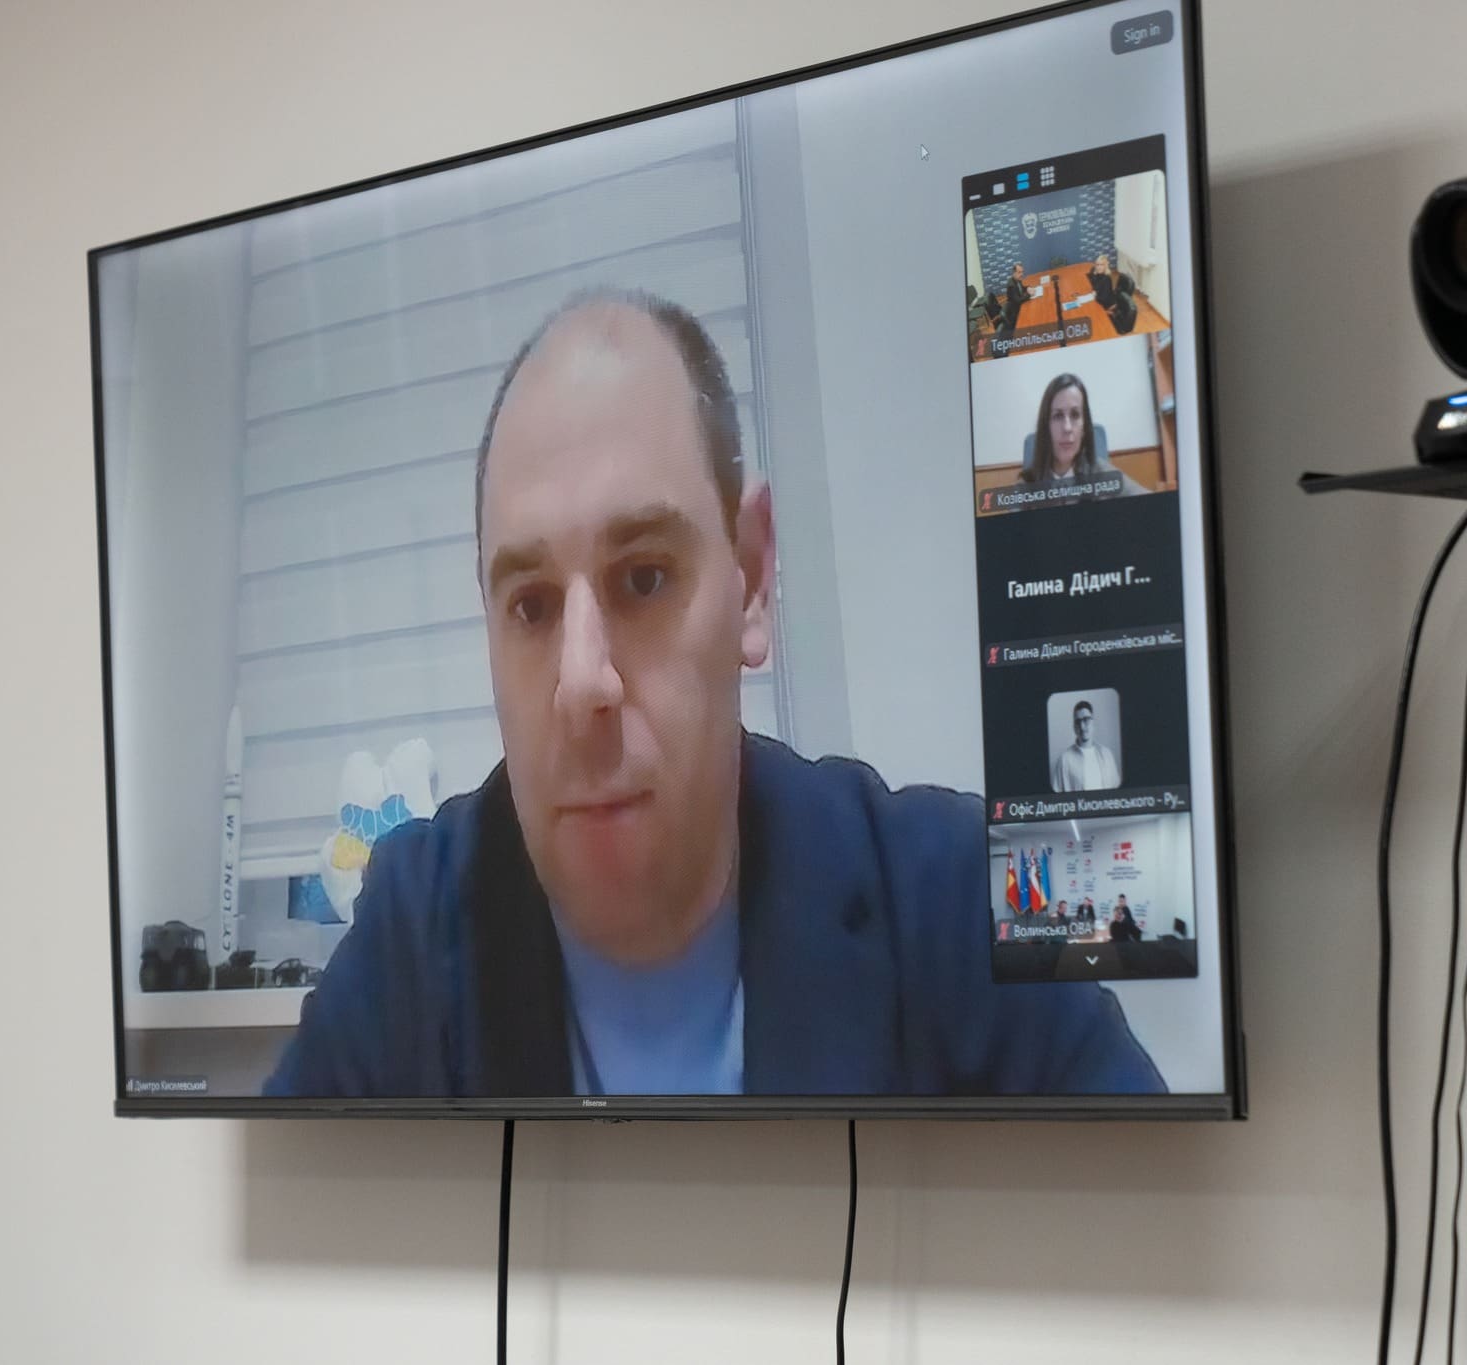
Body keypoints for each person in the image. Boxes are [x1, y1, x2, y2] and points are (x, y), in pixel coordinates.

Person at [264, 289, 1163, 1099]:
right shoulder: (411, 934)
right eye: (531, 605)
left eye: (643, 578)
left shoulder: (957, 904)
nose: (582, 683)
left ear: (752, 577)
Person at [1016, 373, 1146, 498]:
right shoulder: (1026, 486)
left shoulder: (1103, 474)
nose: (1067, 428)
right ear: (1046, 427)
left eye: (1075, 415)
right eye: (1058, 416)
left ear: (1084, 427)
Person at [1051, 698, 1123, 792]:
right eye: (1078, 722)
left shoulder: (1107, 754)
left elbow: (1117, 790)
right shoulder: (1064, 760)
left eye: (1086, 719)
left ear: (1093, 722)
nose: (1082, 726)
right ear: (1074, 726)